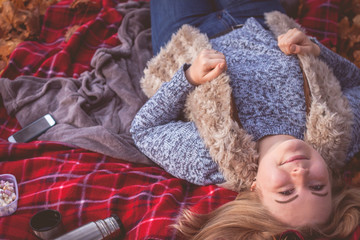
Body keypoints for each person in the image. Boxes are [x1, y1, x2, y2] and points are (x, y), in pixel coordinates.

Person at [130, 0, 360, 239]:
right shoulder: (336, 132)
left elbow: (145, 130)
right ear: (330, 181)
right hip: (259, 18)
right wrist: (317, 51)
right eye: (317, 187)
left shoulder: (214, 159)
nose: (301, 173)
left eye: (286, 191)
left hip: (185, 34)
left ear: (255, 190)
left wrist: (188, 78)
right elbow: (356, 84)